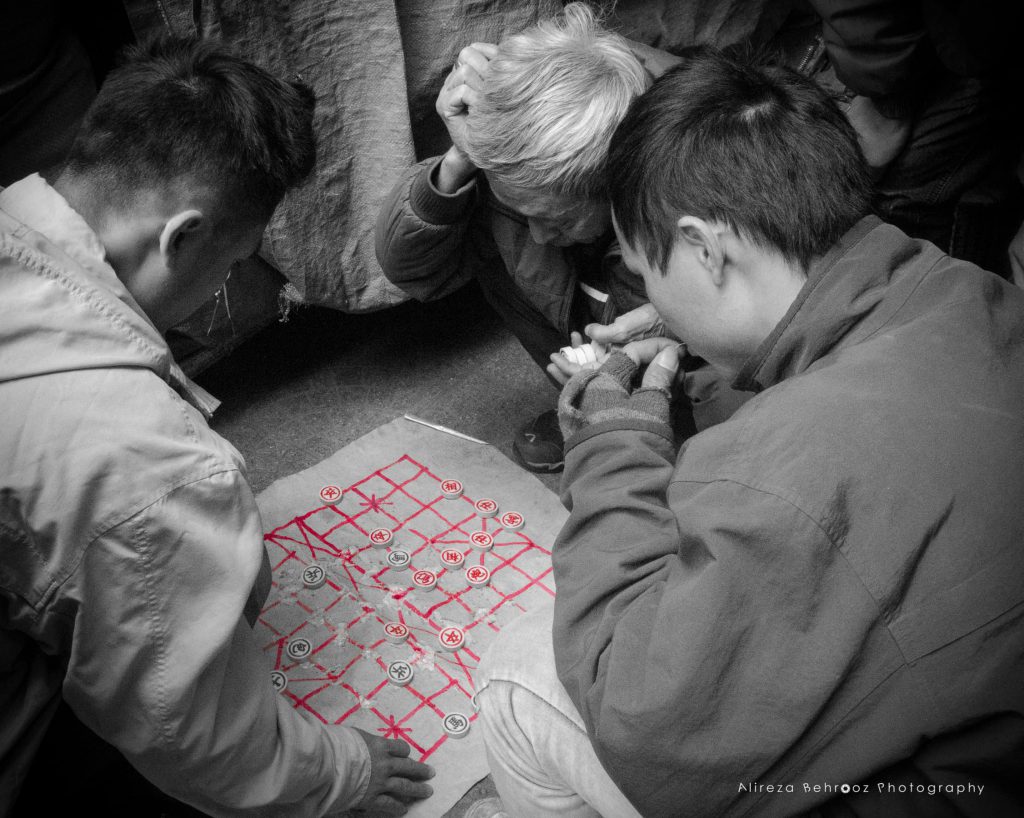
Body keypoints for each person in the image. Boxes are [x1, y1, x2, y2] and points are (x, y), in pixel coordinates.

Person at [474, 45, 1024, 818]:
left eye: (649, 269)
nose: (647, 298)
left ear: (704, 247)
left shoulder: (777, 477)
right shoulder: (965, 287)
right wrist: (704, 347)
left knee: (516, 677)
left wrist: (612, 440)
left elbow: (641, 720)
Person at [0, 36, 434, 816]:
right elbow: (196, 736)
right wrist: (341, 772)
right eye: (236, 261)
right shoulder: (149, 466)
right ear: (181, 238)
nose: (230, 283)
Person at [374, 3, 654, 473]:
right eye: (526, 214)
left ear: (615, 183)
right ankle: (591, 404)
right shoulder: (519, 163)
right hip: (603, 335)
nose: (541, 235)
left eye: (559, 220)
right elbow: (408, 266)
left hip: (690, 360)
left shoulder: (684, 174)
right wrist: (466, 152)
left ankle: (640, 420)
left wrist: (678, 326)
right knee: (490, 228)